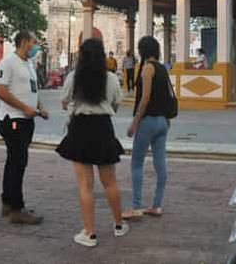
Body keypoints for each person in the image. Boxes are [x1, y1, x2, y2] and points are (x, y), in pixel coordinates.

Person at [55, 38, 128, 247]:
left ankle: (89, 233)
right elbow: (116, 103)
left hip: (80, 128)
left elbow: (64, 101)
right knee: (110, 182)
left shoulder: (73, 77)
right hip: (103, 128)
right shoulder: (111, 78)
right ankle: (119, 225)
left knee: (85, 185)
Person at [0, 31, 49, 225]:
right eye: (34, 42)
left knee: (15, 162)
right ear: (24, 42)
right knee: (18, 163)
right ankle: (17, 209)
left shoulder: (29, 64)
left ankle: (8, 201)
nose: (36, 46)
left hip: (26, 119)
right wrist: (24, 107)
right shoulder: (8, 62)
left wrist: (39, 107)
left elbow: (32, 89)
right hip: (13, 119)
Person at [123, 36, 170, 220]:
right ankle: (157, 205)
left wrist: (135, 122)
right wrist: (167, 118)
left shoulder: (147, 68)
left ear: (142, 50)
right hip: (162, 121)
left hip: (147, 121)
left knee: (136, 163)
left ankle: (136, 206)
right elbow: (166, 95)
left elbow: (145, 97)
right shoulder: (163, 69)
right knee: (160, 163)